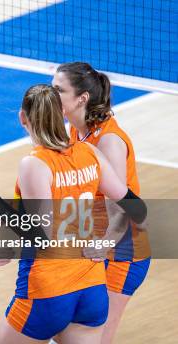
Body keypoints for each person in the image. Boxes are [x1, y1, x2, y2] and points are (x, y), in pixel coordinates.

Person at [0, 84, 147, 343]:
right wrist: (107, 242)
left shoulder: (35, 164)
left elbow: (39, 237)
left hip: (48, 290)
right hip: (91, 288)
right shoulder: (90, 153)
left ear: (23, 117)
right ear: (62, 113)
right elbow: (137, 208)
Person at [52, 62, 150, 343]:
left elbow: (125, 205)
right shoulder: (74, 131)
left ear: (81, 98)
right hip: (95, 245)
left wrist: (104, 243)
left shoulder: (108, 141)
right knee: (65, 330)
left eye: (59, 89)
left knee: (97, 337)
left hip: (123, 250)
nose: (52, 94)